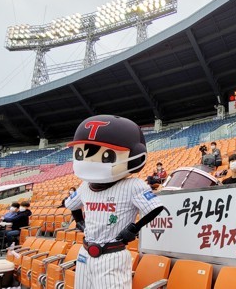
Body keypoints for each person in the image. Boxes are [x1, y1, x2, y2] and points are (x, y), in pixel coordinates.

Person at [65, 115, 164, 289]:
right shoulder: (85, 186)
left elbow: (155, 208)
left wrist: (134, 228)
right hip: (85, 252)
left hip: (112, 253)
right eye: (81, 153)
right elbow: (71, 205)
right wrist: (79, 221)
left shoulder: (133, 185)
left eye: (106, 155)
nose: (90, 161)